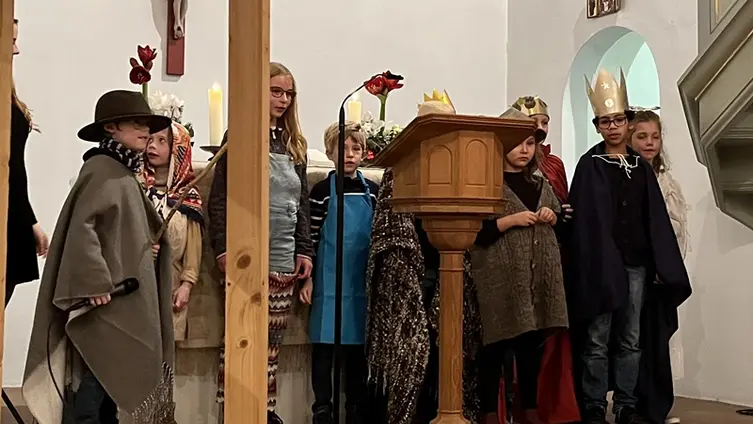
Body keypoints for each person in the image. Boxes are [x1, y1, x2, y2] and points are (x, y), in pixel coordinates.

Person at [22, 90, 175, 424]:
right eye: (137, 123)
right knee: (97, 372)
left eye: (148, 125)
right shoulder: (102, 170)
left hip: (120, 294)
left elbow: (116, 228)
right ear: (111, 127)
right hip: (105, 300)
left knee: (109, 382)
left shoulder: (122, 171)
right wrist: (94, 281)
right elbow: (84, 229)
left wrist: (143, 246)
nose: (146, 131)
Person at [566, 69, 691, 424]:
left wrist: (662, 265)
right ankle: (593, 404)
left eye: (619, 120)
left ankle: (625, 404)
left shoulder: (640, 167)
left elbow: (655, 220)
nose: (613, 127)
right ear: (597, 126)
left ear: (627, 122)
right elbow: (583, 222)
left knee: (630, 338)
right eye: (606, 121)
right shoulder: (590, 166)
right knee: (597, 336)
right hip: (599, 267)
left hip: (636, 265)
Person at [208, 62, 315, 424]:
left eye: (289, 94)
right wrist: (223, 247)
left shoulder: (294, 144)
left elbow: (300, 203)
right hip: (245, 255)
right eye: (276, 92)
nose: (283, 100)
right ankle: (236, 413)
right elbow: (219, 199)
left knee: (271, 346)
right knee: (241, 341)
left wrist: (305, 249)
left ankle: (265, 412)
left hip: (283, 256)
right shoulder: (239, 135)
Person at [470, 119, 568, 424]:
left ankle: (529, 409)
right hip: (499, 278)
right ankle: (489, 412)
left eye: (530, 143)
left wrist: (552, 216)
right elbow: (473, 233)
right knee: (494, 347)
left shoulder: (541, 184)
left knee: (530, 347)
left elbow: (560, 221)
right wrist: (509, 221)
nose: (524, 150)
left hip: (535, 279)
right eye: (516, 144)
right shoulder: (486, 185)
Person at [299, 122, 379, 424]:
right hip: (327, 283)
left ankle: (356, 409)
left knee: (357, 355)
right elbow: (311, 237)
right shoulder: (321, 192)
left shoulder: (374, 193)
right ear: (330, 152)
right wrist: (306, 279)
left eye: (355, 148)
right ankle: (322, 409)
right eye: (342, 148)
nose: (349, 154)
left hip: (361, 284)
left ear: (364, 153)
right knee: (324, 352)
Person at [628, 110, 689, 424]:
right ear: (630, 138)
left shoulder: (667, 182)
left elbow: (678, 227)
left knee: (658, 339)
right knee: (634, 340)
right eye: (642, 136)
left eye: (655, 136)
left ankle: (657, 407)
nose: (650, 143)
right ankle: (634, 405)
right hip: (638, 270)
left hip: (663, 273)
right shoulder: (628, 178)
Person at [7, 18, 48, 305]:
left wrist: (29, 220)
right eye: (11, 41)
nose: (17, 49)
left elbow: (15, 170)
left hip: (13, 212)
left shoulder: (6, 90)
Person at [510, 96, 568, 203]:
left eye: (544, 123)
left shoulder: (555, 163)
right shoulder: (510, 161)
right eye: (533, 121)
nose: (540, 128)